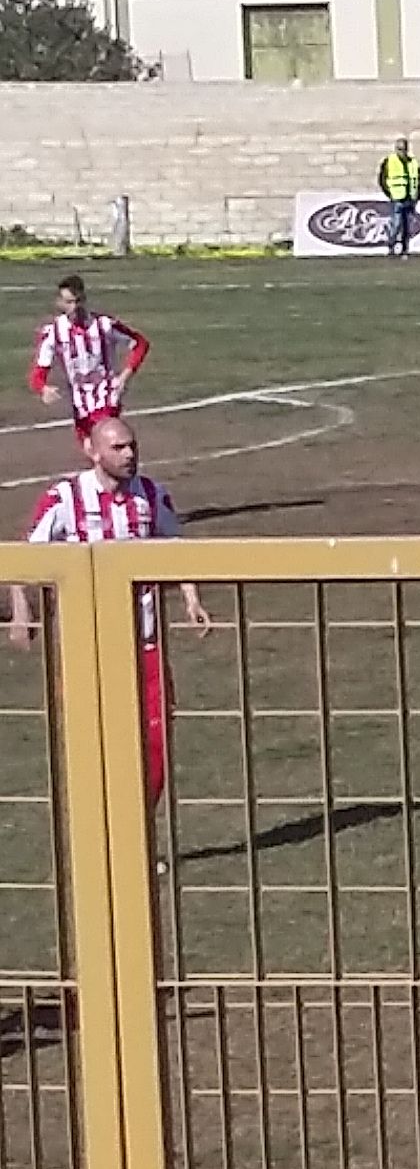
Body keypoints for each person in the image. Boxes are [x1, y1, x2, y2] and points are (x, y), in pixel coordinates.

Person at [7, 414, 211, 801]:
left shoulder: (152, 494)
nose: (129, 454)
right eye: (118, 447)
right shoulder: (64, 499)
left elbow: (177, 549)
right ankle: (101, 845)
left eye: (132, 446)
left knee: (155, 743)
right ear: (91, 451)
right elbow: (23, 557)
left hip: (144, 643)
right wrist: (22, 612)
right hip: (86, 647)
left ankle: (140, 837)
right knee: (92, 744)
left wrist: (191, 598)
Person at [31, 275, 149, 431]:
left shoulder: (104, 324)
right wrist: (43, 388)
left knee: (106, 438)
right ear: (59, 303)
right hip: (79, 401)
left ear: (84, 299)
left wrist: (124, 377)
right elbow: (38, 373)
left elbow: (140, 343)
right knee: (91, 449)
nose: (74, 307)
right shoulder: (53, 333)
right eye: (68, 302)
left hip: (107, 393)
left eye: (78, 301)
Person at [376, 136, 420, 259]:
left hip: (410, 198)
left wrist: (418, 196)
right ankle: (391, 248)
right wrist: (390, 193)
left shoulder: (413, 162)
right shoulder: (389, 161)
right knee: (396, 224)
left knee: (407, 226)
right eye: (399, 149)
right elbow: (382, 179)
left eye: (404, 149)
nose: (402, 152)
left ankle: (405, 249)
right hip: (397, 198)